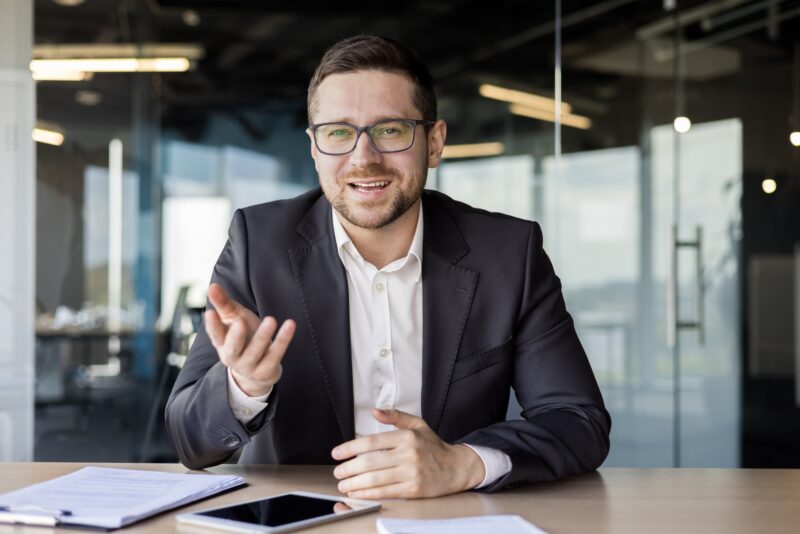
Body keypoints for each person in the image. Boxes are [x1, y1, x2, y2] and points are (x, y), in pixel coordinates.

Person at [165, 34, 610, 499]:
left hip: (451, 519)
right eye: (338, 132)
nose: (363, 158)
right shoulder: (259, 245)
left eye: (391, 130)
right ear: (315, 148)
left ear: (434, 143)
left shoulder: (508, 253)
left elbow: (577, 420)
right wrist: (245, 386)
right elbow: (188, 441)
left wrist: (463, 464)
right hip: (300, 521)